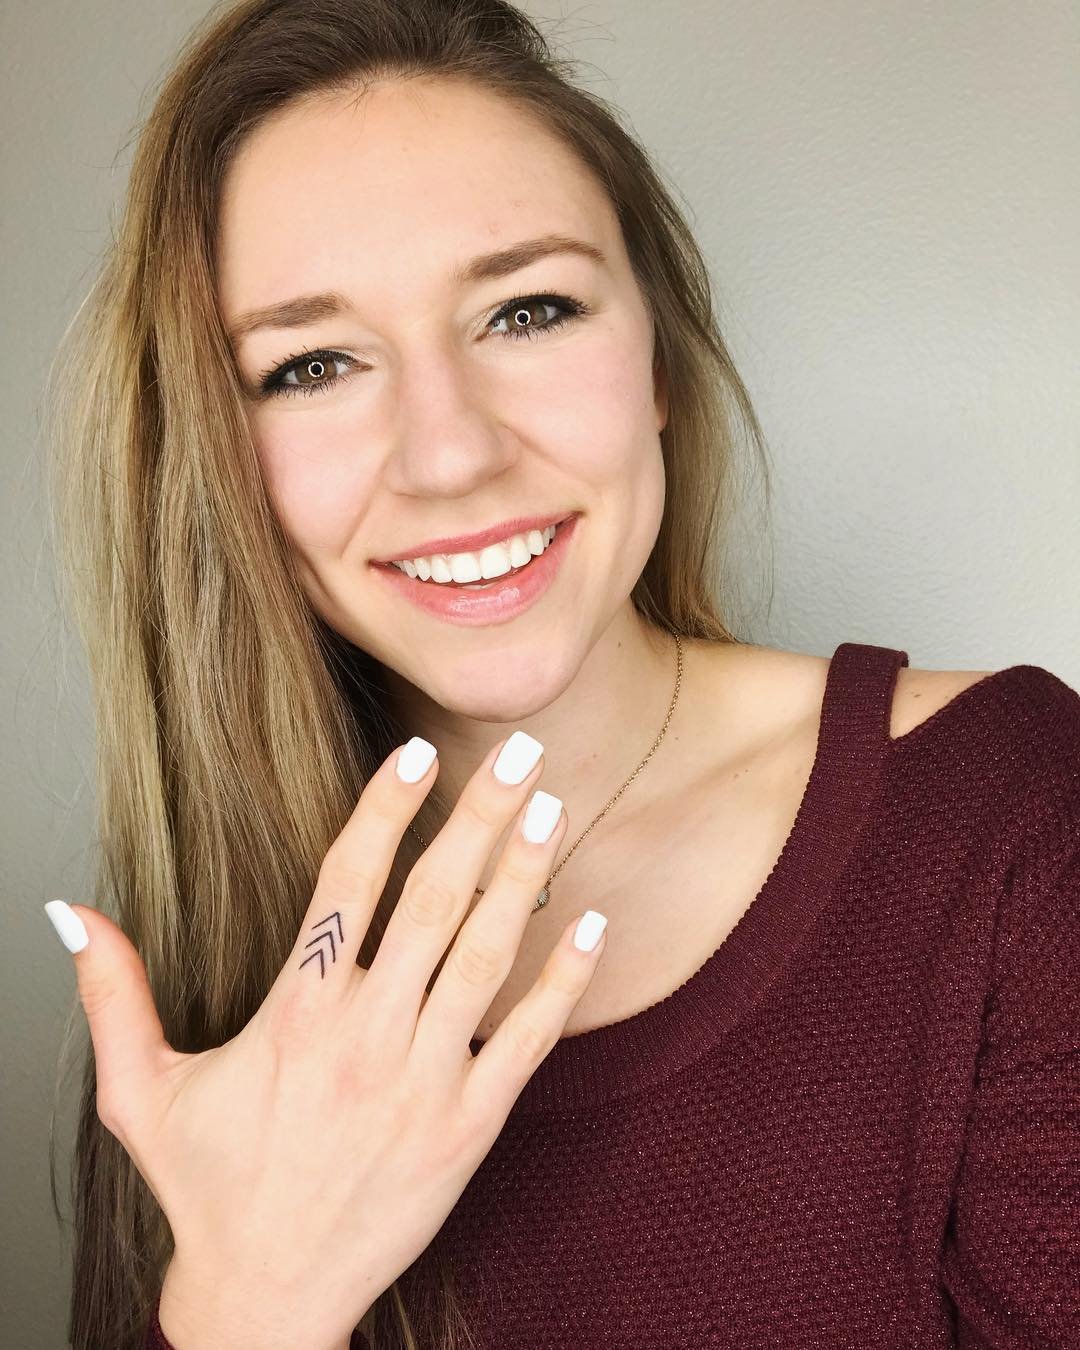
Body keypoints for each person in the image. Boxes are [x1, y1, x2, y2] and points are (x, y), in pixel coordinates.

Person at [40, 2, 1079, 1348]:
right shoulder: (216, 979)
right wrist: (252, 1305)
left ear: (656, 358)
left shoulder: (1008, 818)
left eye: (526, 309)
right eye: (310, 363)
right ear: (213, 463)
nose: (449, 453)